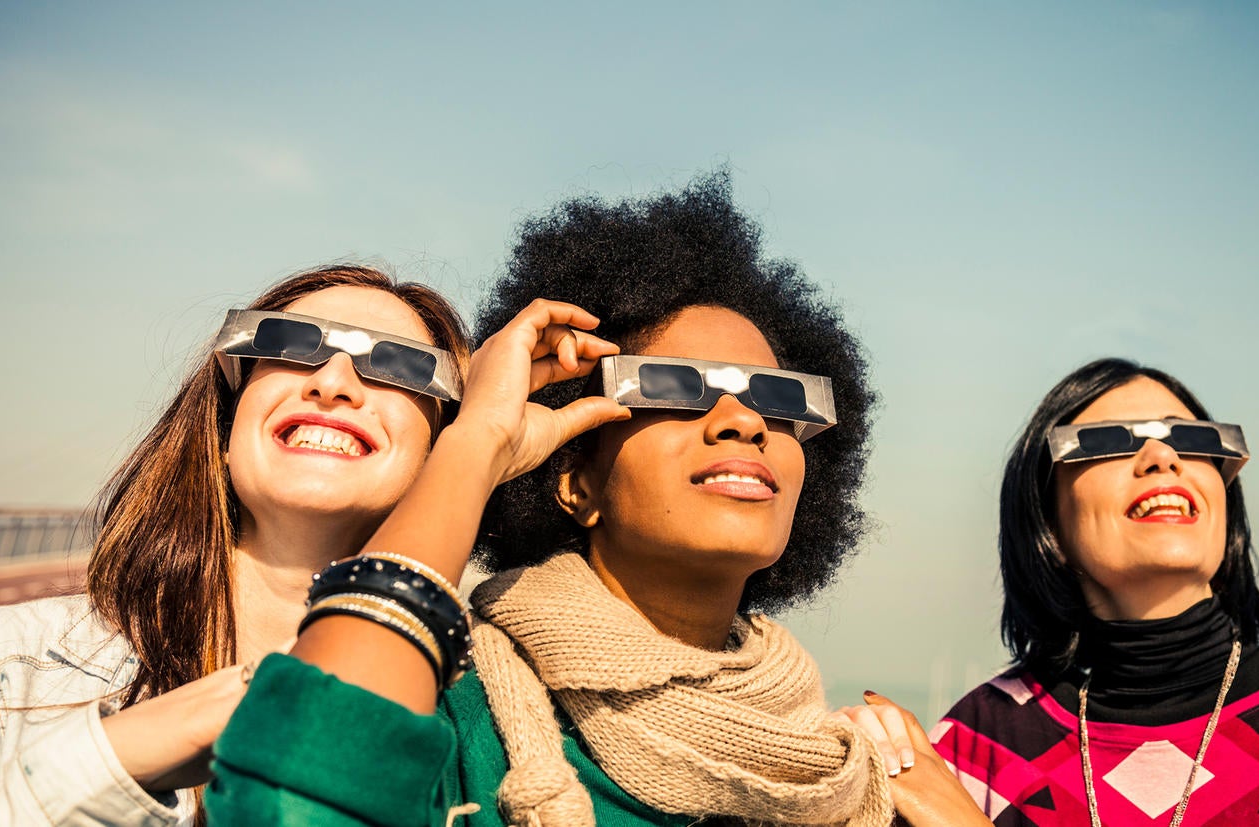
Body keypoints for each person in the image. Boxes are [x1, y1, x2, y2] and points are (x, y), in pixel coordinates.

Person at [206, 175, 917, 826]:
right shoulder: (451, 716)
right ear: (575, 481)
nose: (744, 420)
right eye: (673, 386)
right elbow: (298, 796)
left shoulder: (847, 772)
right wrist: (479, 439)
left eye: (778, 397)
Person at [0, 265, 470, 825]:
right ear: (226, 426)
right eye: (288, 342)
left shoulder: (498, 718)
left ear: (441, 450)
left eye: (400, 363)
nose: (332, 381)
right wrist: (121, 756)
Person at [844, 358, 1259, 826]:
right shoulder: (980, 742)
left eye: (1192, 439)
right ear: (1048, 520)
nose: (1162, 458)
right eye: (1108, 442)